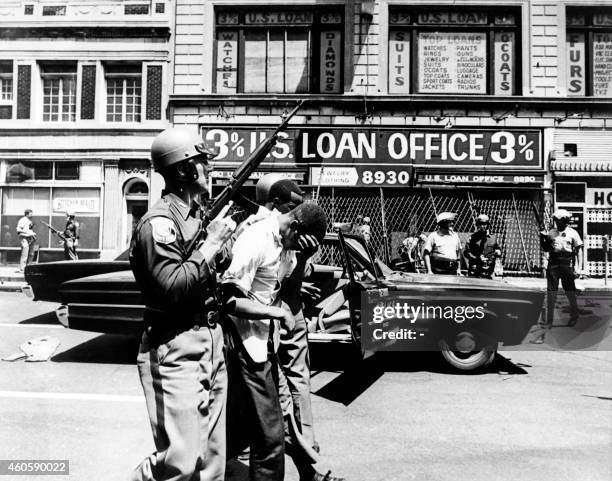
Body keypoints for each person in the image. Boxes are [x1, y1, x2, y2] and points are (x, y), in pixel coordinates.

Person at [128, 126, 236, 481]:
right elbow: (171, 289)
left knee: (212, 460)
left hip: (211, 339)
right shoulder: (159, 223)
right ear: (186, 170)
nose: (212, 170)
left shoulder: (196, 219)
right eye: (205, 163)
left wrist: (220, 251)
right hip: (175, 343)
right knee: (181, 461)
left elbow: (204, 276)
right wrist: (210, 247)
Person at [222, 203, 333, 481]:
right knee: (270, 437)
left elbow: (280, 287)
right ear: (294, 226)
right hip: (244, 341)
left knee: (248, 424)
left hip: (265, 342)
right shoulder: (257, 238)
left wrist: (303, 255)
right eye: (298, 240)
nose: (296, 247)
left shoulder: (288, 246)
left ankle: (216, 465)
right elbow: (229, 298)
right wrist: (275, 312)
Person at [540, 209, 584, 330]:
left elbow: (579, 250)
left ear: (566, 221)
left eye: (560, 221)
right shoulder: (551, 232)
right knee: (551, 293)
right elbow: (546, 248)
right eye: (556, 221)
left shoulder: (573, 233)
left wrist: (579, 267)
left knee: (570, 292)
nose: (558, 223)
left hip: (566, 263)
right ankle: (549, 321)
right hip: (553, 263)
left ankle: (574, 315)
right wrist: (543, 238)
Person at [464, 214, 502, 279]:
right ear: (477, 225)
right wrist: (477, 258)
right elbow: (466, 252)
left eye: (484, 224)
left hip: (489, 271)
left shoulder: (493, 238)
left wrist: (498, 252)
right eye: (480, 224)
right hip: (475, 271)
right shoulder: (473, 238)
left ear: (487, 225)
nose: (482, 226)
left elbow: (498, 250)